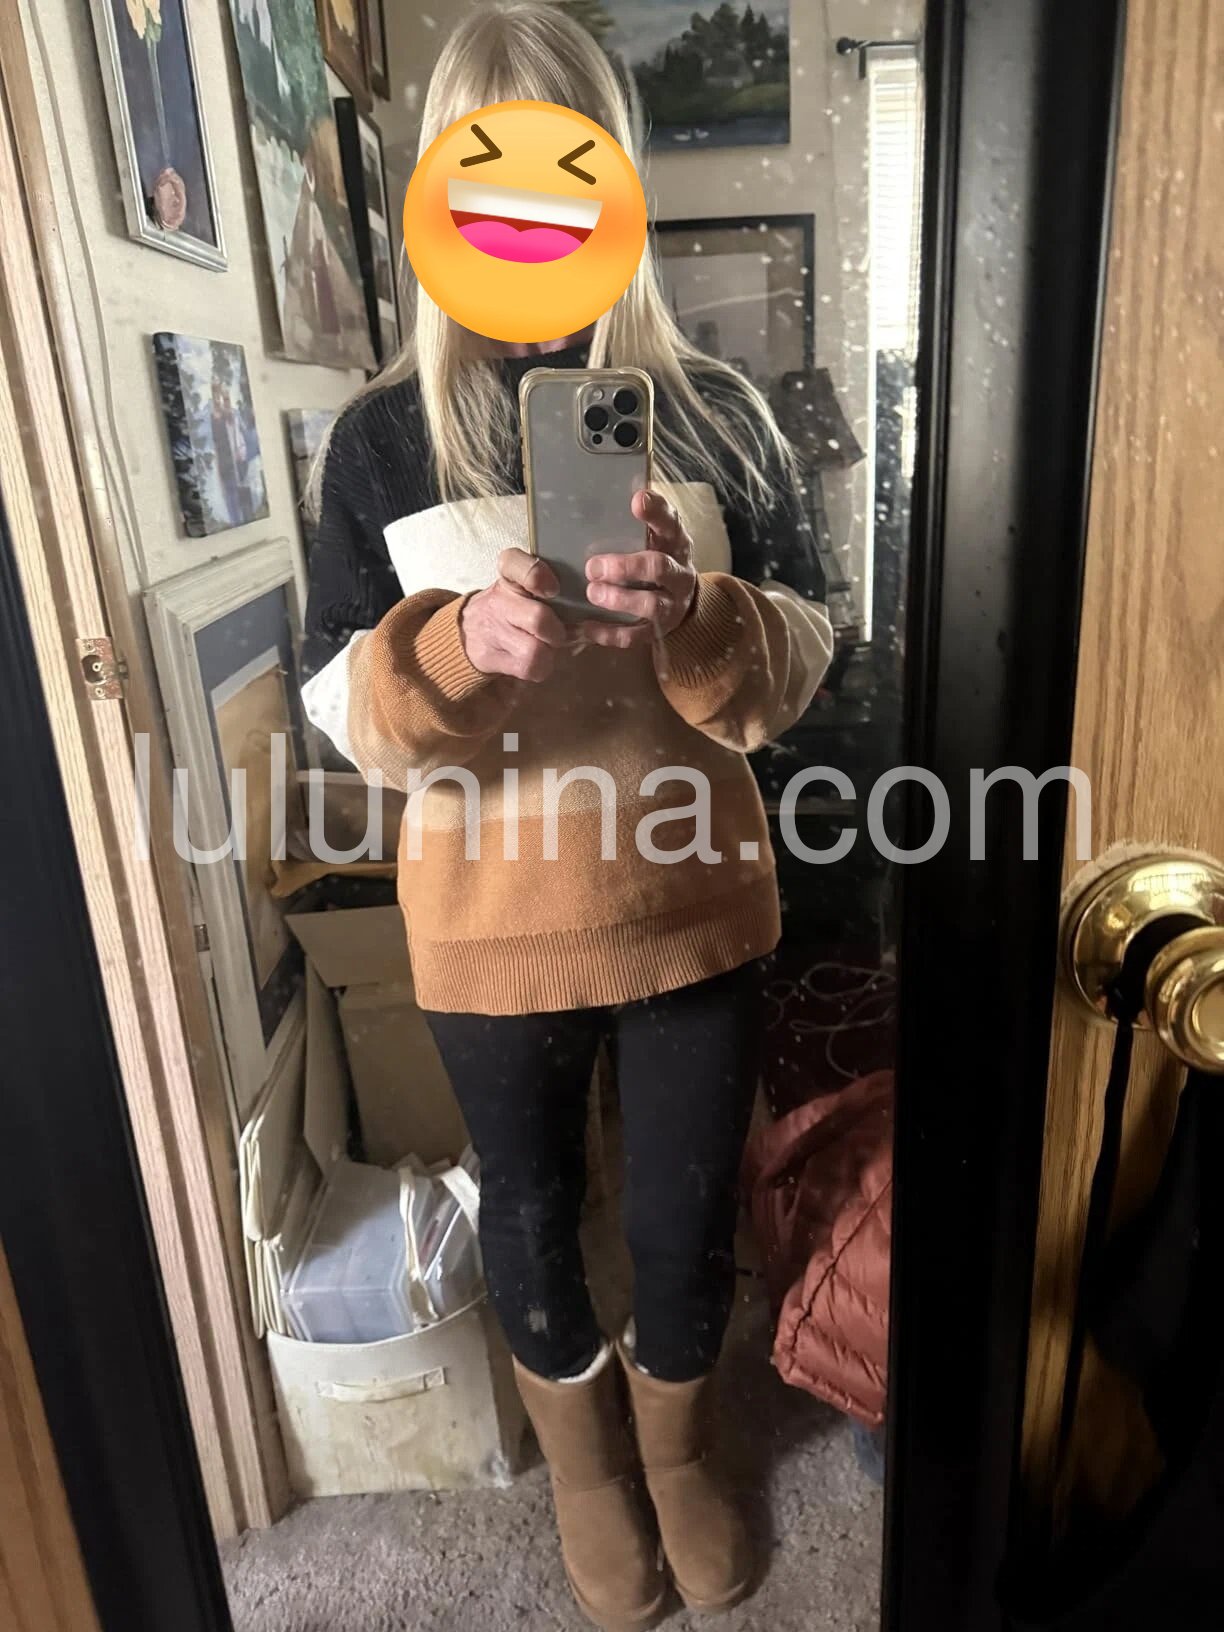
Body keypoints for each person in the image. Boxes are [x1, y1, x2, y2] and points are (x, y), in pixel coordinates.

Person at [302, 6, 833, 1626]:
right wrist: (460, 644)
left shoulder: (726, 413)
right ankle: (592, 1478)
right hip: (488, 929)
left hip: (692, 910)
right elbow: (341, 708)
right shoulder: (379, 440)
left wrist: (700, 618)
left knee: (681, 1221)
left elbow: (806, 661)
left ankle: (680, 1456)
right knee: (530, 1216)